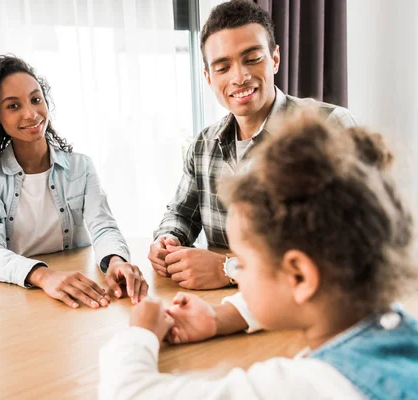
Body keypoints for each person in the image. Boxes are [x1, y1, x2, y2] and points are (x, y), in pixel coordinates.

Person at [99, 113, 418, 399]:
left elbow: (128, 393)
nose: (238, 272)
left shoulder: (309, 387)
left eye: (244, 263)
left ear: (299, 276)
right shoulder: (392, 324)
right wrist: (217, 318)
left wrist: (138, 334)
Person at [148, 0, 358, 295]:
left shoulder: (329, 127)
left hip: (303, 306)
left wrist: (229, 270)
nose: (239, 76)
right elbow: (181, 214)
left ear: (274, 58)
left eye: (252, 58)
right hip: (222, 307)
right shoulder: (203, 145)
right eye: (223, 67)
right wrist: (167, 239)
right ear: (209, 78)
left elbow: (351, 241)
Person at [0, 55, 147, 309]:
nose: (31, 113)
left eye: (35, 99)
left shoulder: (80, 167)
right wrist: (44, 275)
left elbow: (103, 227)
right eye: (13, 106)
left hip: (76, 289)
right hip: (18, 298)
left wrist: (115, 260)